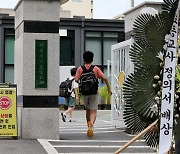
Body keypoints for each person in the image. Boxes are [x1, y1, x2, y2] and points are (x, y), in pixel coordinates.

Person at [75, 51, 112, 137]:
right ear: (92, 59)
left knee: (87, 110)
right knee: (93, 111)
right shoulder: (95, 69)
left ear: (83, 59)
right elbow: (105, 78)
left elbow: (76, 79)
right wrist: (109, 89)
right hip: (94, 92)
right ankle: (91, 123)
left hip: (84, 93)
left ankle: (88, 124)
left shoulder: (80, 69)